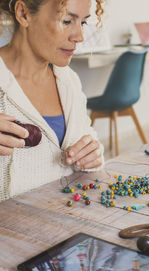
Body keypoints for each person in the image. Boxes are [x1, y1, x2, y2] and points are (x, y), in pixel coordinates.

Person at [0, 0, 105, 202]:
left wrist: (94, 155)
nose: (80, 37)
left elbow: (89, 142)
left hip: (66, 225)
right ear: (23, 14)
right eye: (67, 21)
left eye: (82, 23)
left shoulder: (69, 80)